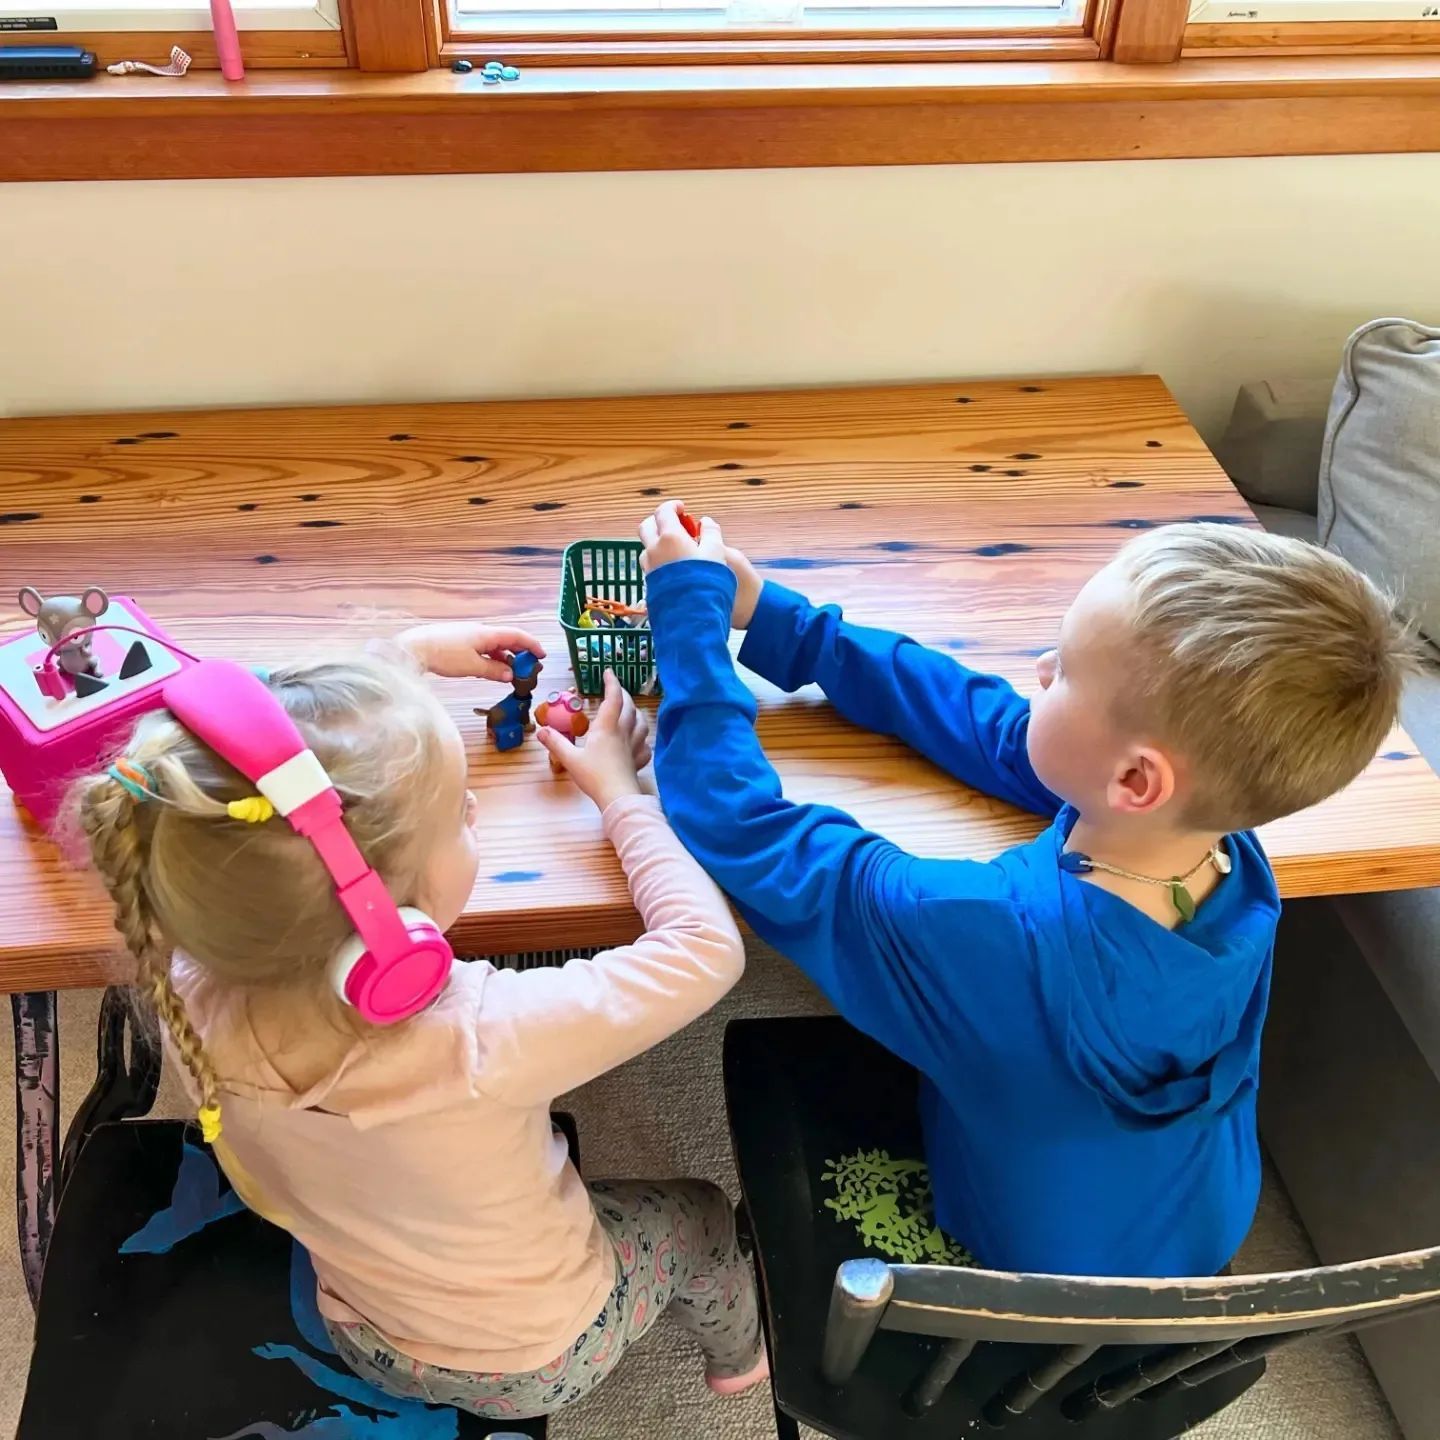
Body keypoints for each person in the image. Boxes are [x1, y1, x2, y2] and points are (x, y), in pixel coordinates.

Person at [639, 503, 1418, 1277]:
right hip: (1198, 1221)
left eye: (1066, 669)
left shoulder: (976, 927)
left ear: (1136, 779)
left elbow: (741, 825)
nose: (1040, 667)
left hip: (1036, 1259)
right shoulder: (1226, 854)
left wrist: (689, 615)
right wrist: (779, 619)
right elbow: (1000, 732)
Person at [72, 620, 765, 1419]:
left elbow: (269, 777)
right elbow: (706, 949)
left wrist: (408, 659)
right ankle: (737, 1360)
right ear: (388, 932)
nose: (473, 806)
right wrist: (619, 792)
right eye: (459, 817)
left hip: (361, 1329)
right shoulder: (480, 1037)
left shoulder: (189, 979)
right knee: (700, 1215)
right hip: (542, 1352)